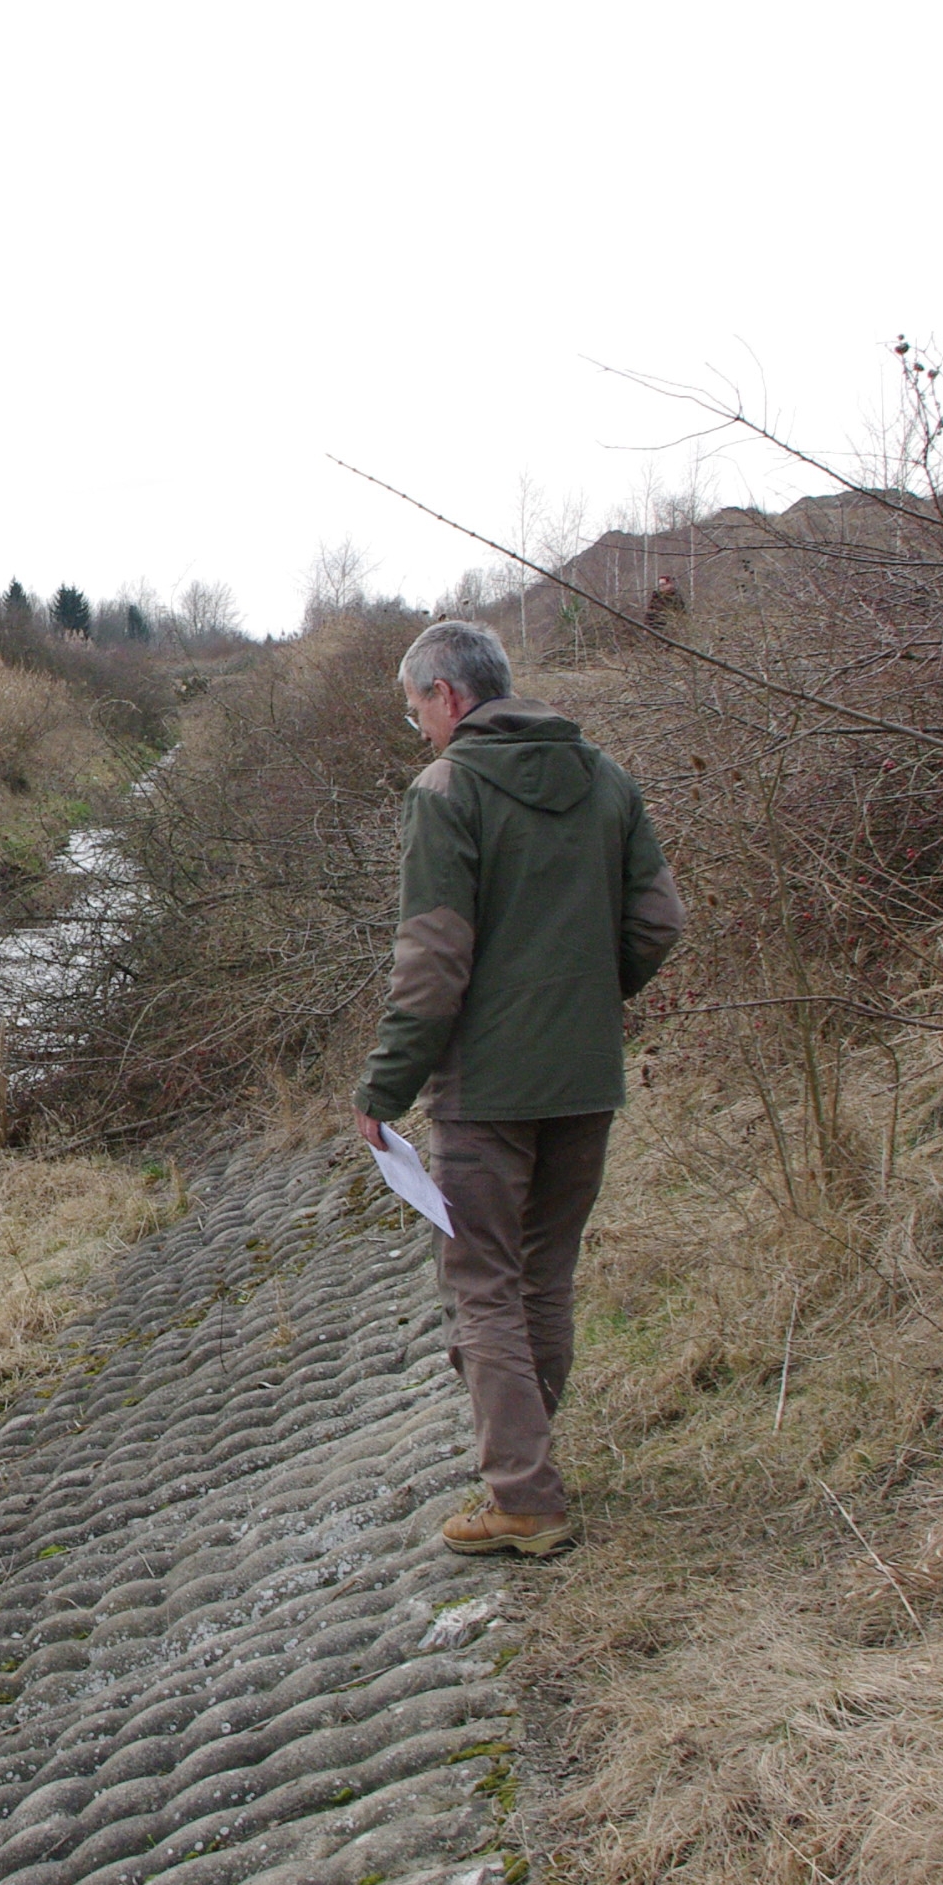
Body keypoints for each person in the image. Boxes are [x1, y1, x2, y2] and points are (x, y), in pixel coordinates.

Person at [351, 619, 684, 1558]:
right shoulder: (605, 776)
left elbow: (432, 963)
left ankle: (526, 1498)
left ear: (448, 697)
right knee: (545, 1276)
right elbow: (659, 921)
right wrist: (585, 998)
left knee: (484, 1289)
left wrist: (384, 1086)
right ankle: (529, 1468)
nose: (417, 725)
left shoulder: (446, 789)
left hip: (486, 1091)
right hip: (585, 1076)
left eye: (417, 706)